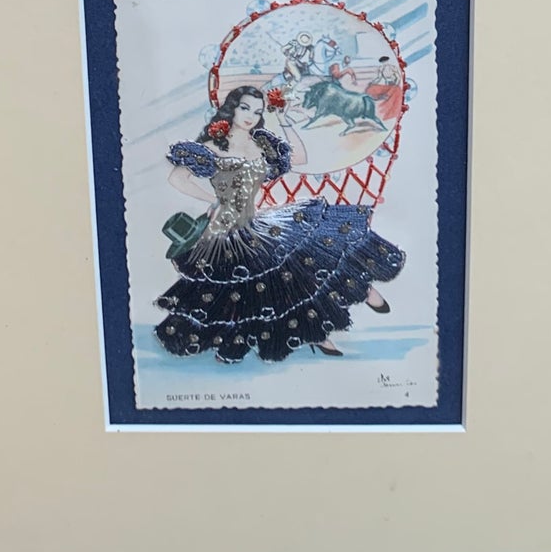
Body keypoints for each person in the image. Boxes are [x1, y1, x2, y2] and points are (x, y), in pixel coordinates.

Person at [156, 86, 403, 362]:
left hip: (256, 222)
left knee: (309, 252)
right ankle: (316, 333)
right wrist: (214, 200)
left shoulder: (260, 143)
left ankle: (357, 293)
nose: (250, 116)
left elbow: (300, 158)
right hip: (227, 230)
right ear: (232, 108)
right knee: (262, 287)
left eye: (257, 111)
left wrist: (282, 117)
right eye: (244, 108)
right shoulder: (212, 146)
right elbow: (177, 179)